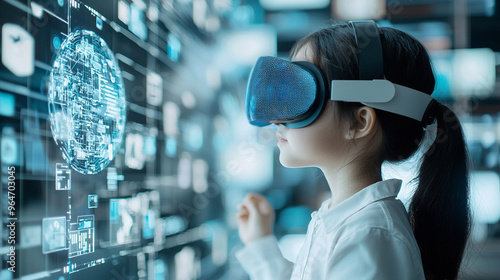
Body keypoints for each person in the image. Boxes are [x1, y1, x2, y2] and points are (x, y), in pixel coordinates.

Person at [235, 21, 470, 280]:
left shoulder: (368, 236)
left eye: (301, 91)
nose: (277, 118)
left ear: (359, 122)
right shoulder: (350, 222)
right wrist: (262, 246)